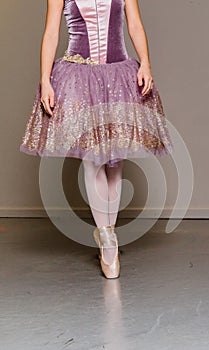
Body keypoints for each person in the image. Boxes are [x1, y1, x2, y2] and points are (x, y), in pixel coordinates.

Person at [19, 0, 174, 279]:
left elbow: (135, 25)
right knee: (92, 159)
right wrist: (45, 80)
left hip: (118, 76)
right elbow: (51, 32)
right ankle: (107, 239)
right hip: (80, 78)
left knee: (115, 162)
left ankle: (108, 234)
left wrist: (146, 64)